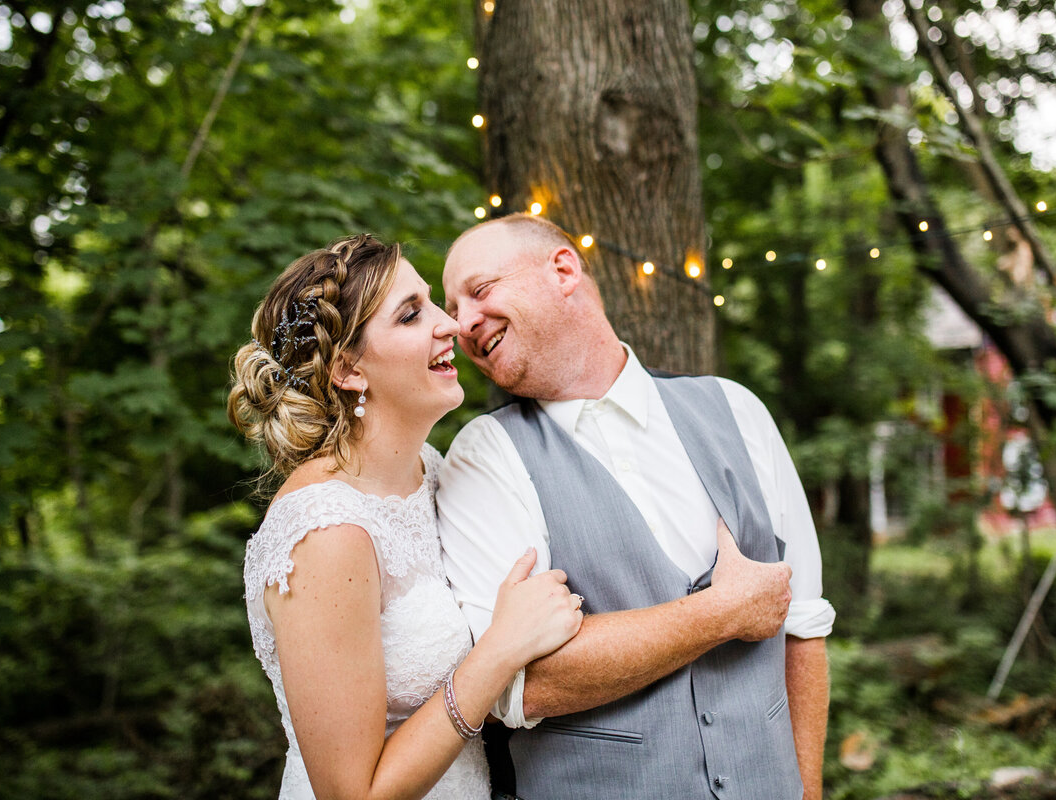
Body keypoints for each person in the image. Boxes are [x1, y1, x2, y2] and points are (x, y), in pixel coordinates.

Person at [437, 214, 835, 800]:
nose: (460, 324)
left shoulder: (737, 409)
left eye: (479, 290)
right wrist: (723, 612)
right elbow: (514, 687)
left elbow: (803, 627)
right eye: (452, 308)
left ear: (564, 269)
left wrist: (808, 791)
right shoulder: (484, 455)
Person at [230, 234, 584, 800]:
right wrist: (498, 651)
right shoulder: (326, 534)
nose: (450, 324)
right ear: (348, 369)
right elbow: (353, 794)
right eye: (412, 315)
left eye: (431, 303)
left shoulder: (431, 470)